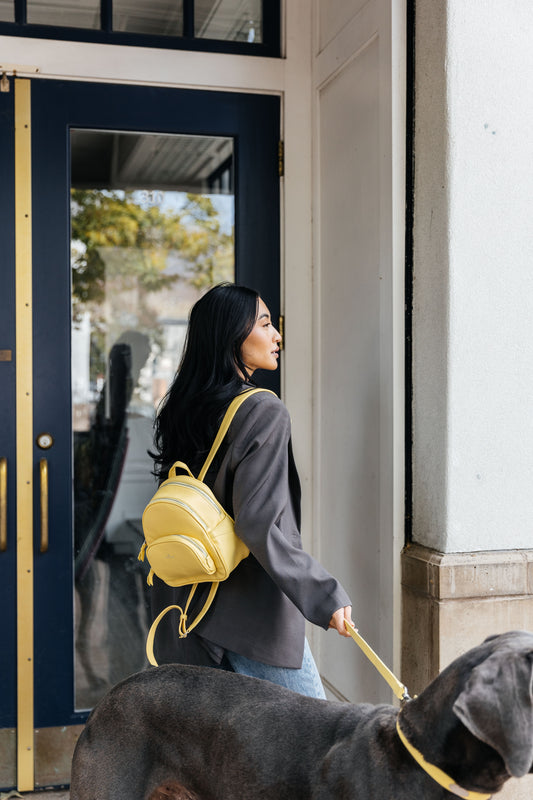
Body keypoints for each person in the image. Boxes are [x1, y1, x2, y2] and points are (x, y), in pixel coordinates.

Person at [149, 283, 353, 698]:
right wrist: (323, 594)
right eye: (264, 324)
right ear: (231, 336)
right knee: (311, 740)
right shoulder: (263, 410)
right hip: (249, 614)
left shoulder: (183, 408)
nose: (277, 335)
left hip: (188, 603)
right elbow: (260, 524)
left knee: (223, 748)